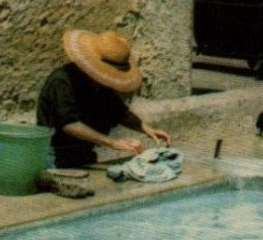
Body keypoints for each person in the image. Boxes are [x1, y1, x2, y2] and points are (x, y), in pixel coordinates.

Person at [35, 29, 171, 168]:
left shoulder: (100, 85)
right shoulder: (62, 81)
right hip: (55, 154)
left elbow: (116, 110)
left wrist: (146, 129)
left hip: (83, 151)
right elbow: (69, 124)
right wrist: (113, 143)